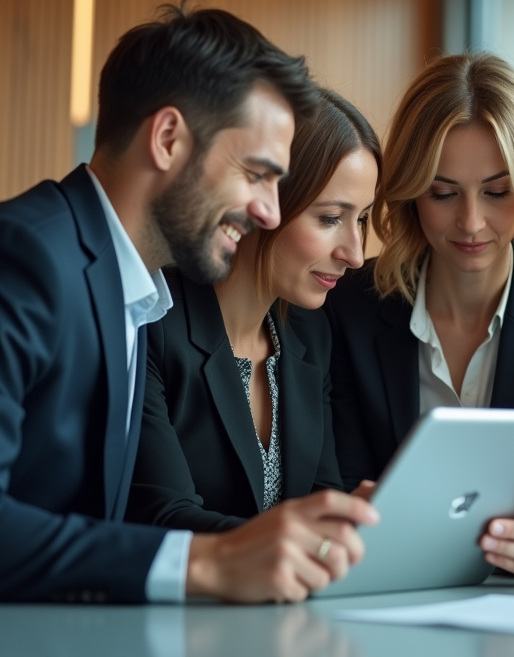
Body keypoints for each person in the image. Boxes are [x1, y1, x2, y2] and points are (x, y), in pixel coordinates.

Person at [0, 3, 377, 603]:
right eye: (256, 174)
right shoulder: (16, 261)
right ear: (168, 139)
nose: (270, 212)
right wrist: (208, 560)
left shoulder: (130, 292)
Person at [324, 53, 514, 584]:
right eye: (443, 193)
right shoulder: (349, 305)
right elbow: (340, 479)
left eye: (497, 191)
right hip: (377, 590)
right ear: (412, 192)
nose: (470, 222)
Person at [126, 89, 379, 600]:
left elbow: (319, 496)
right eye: (331, 218)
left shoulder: (308, 335)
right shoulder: (153, 318)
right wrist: (304, 538)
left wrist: (354, 520)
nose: (355, 253)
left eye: (363, 219)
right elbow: (161, 516)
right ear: (263, 204)